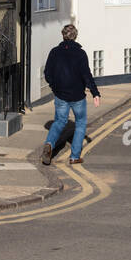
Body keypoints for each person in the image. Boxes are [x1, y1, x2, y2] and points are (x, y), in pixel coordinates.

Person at [41, 24, 100, 165]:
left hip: (61, 94)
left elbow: (47, 73)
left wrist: (54, 87)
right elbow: (87, 75)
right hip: (78, 96)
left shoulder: (54, 52)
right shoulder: (80, 54)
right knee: (80, 124)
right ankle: (74, 157)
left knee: (60, 122)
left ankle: (49, 144)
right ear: (75, 36)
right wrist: (95, 93)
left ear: (63, 35)